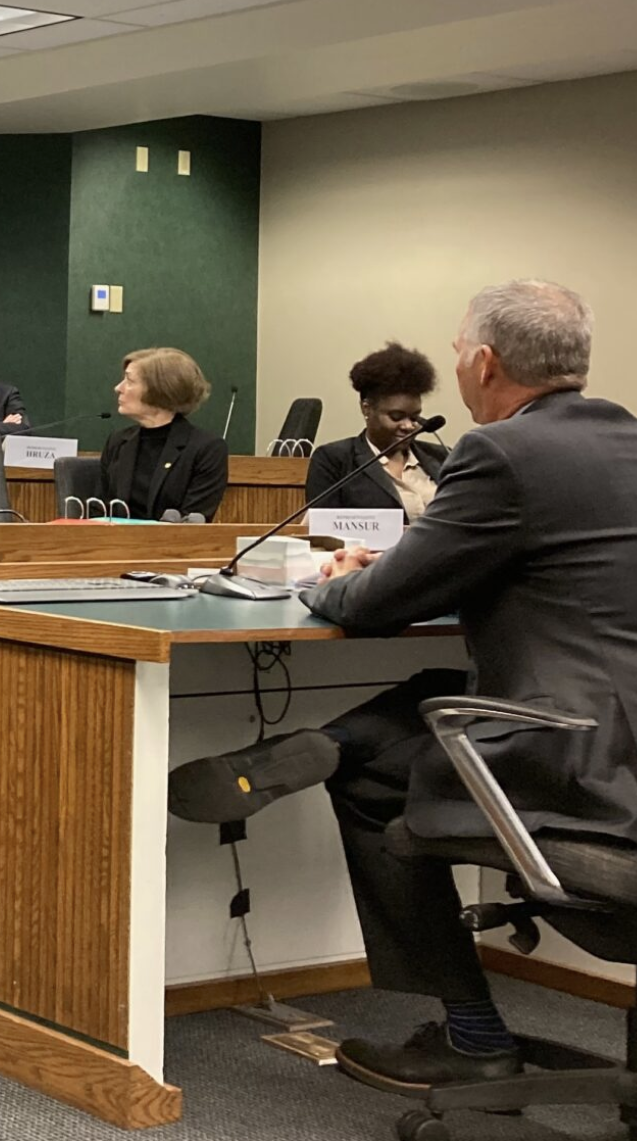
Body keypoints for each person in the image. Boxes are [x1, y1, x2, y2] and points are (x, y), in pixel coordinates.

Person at [167, 280, 637, 1091]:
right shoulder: (624, 441)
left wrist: (326, 579)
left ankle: (472, 1035)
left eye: (459, 350)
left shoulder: (502, 454)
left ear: (485, 362)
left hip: (575, 766)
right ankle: (320, 744)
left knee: (378, 779)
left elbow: (378, 606)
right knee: (431, 688)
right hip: (617, 741)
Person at [305, 343, 446, 518]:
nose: (408, 426)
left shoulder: (443, 458)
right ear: (367, 409)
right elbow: (323, 530)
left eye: (415, 417)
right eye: (396, 416)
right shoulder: (335, 461)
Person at [99, 347, 228, 520]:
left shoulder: (206, 449)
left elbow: (193, 520)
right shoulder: (118, 441)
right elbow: (98, 510)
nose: (118, 388)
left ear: (160, 390)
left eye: (129, 381)